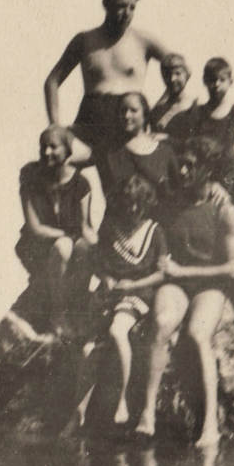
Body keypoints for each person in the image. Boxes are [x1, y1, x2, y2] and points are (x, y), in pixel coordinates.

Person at [136, 138, 234, 447]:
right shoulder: (168, 204)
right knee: (163, 323)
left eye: (191, 166)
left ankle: (209, 425)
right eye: (180, 164)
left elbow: (232, 268)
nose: (182, 171)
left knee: (197, 334)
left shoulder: (224, 210)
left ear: (207, 170)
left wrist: (183, 272)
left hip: (210, 285)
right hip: (176, 284)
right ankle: (147, 414)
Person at [73, 174, 168, 430]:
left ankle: (123, 400)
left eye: (137, 203)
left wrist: (132, 285)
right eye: (128, 203)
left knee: (117, 330)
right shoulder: (110, 228)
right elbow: (97, 263)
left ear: (146, 203)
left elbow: (160, 273)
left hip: (138, 294)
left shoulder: (154, 231)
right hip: (111, 293)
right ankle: (79, 410)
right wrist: (106, 279)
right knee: (88, 348)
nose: (132, 209)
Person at [44, 0, 173, 157]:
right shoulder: (85, 40)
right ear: (106, 4)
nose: (127, 13)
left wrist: (160, 110)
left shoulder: (143, 40)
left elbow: (179, 68)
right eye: (121, 6)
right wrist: (54, 125)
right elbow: (52, 81)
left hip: (128, 124)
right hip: (90, 122)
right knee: (56, 158)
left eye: (132, 7)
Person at [15, 125, 97, 338]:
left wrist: (100, 245)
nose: (46, 152)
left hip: (71, 239)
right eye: (43, 147)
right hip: (39, 244)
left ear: (67, 151)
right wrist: (66, 237)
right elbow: (35, 228)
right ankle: (58, 315)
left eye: (53, 147)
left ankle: (77, 311)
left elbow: (85, 226)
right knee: (64, 247)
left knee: (86, 249)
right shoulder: (30, 179)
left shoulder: (81, 183)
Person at [98, 91, 184, 217]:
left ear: (145, 114)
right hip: (122, 225)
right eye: (123, 111)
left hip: (160, 224)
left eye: (133, 110)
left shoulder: (165, 151)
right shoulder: (112, 153)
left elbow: (177, 193)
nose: (127, 115)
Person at [176, 57, 234, 182]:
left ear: (230, 82)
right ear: (204, 81)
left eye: (222, 80)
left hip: (227, 170)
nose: (216, 84)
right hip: (203, 170)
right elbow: (188, 140)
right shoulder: (199, 111)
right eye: (212, 80)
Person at [150, 53, 196, 135]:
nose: (172, 79)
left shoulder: (195, 105)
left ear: (187, 75)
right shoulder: (159, 108)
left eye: (178, 73)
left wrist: (167, 138)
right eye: (167, 75)